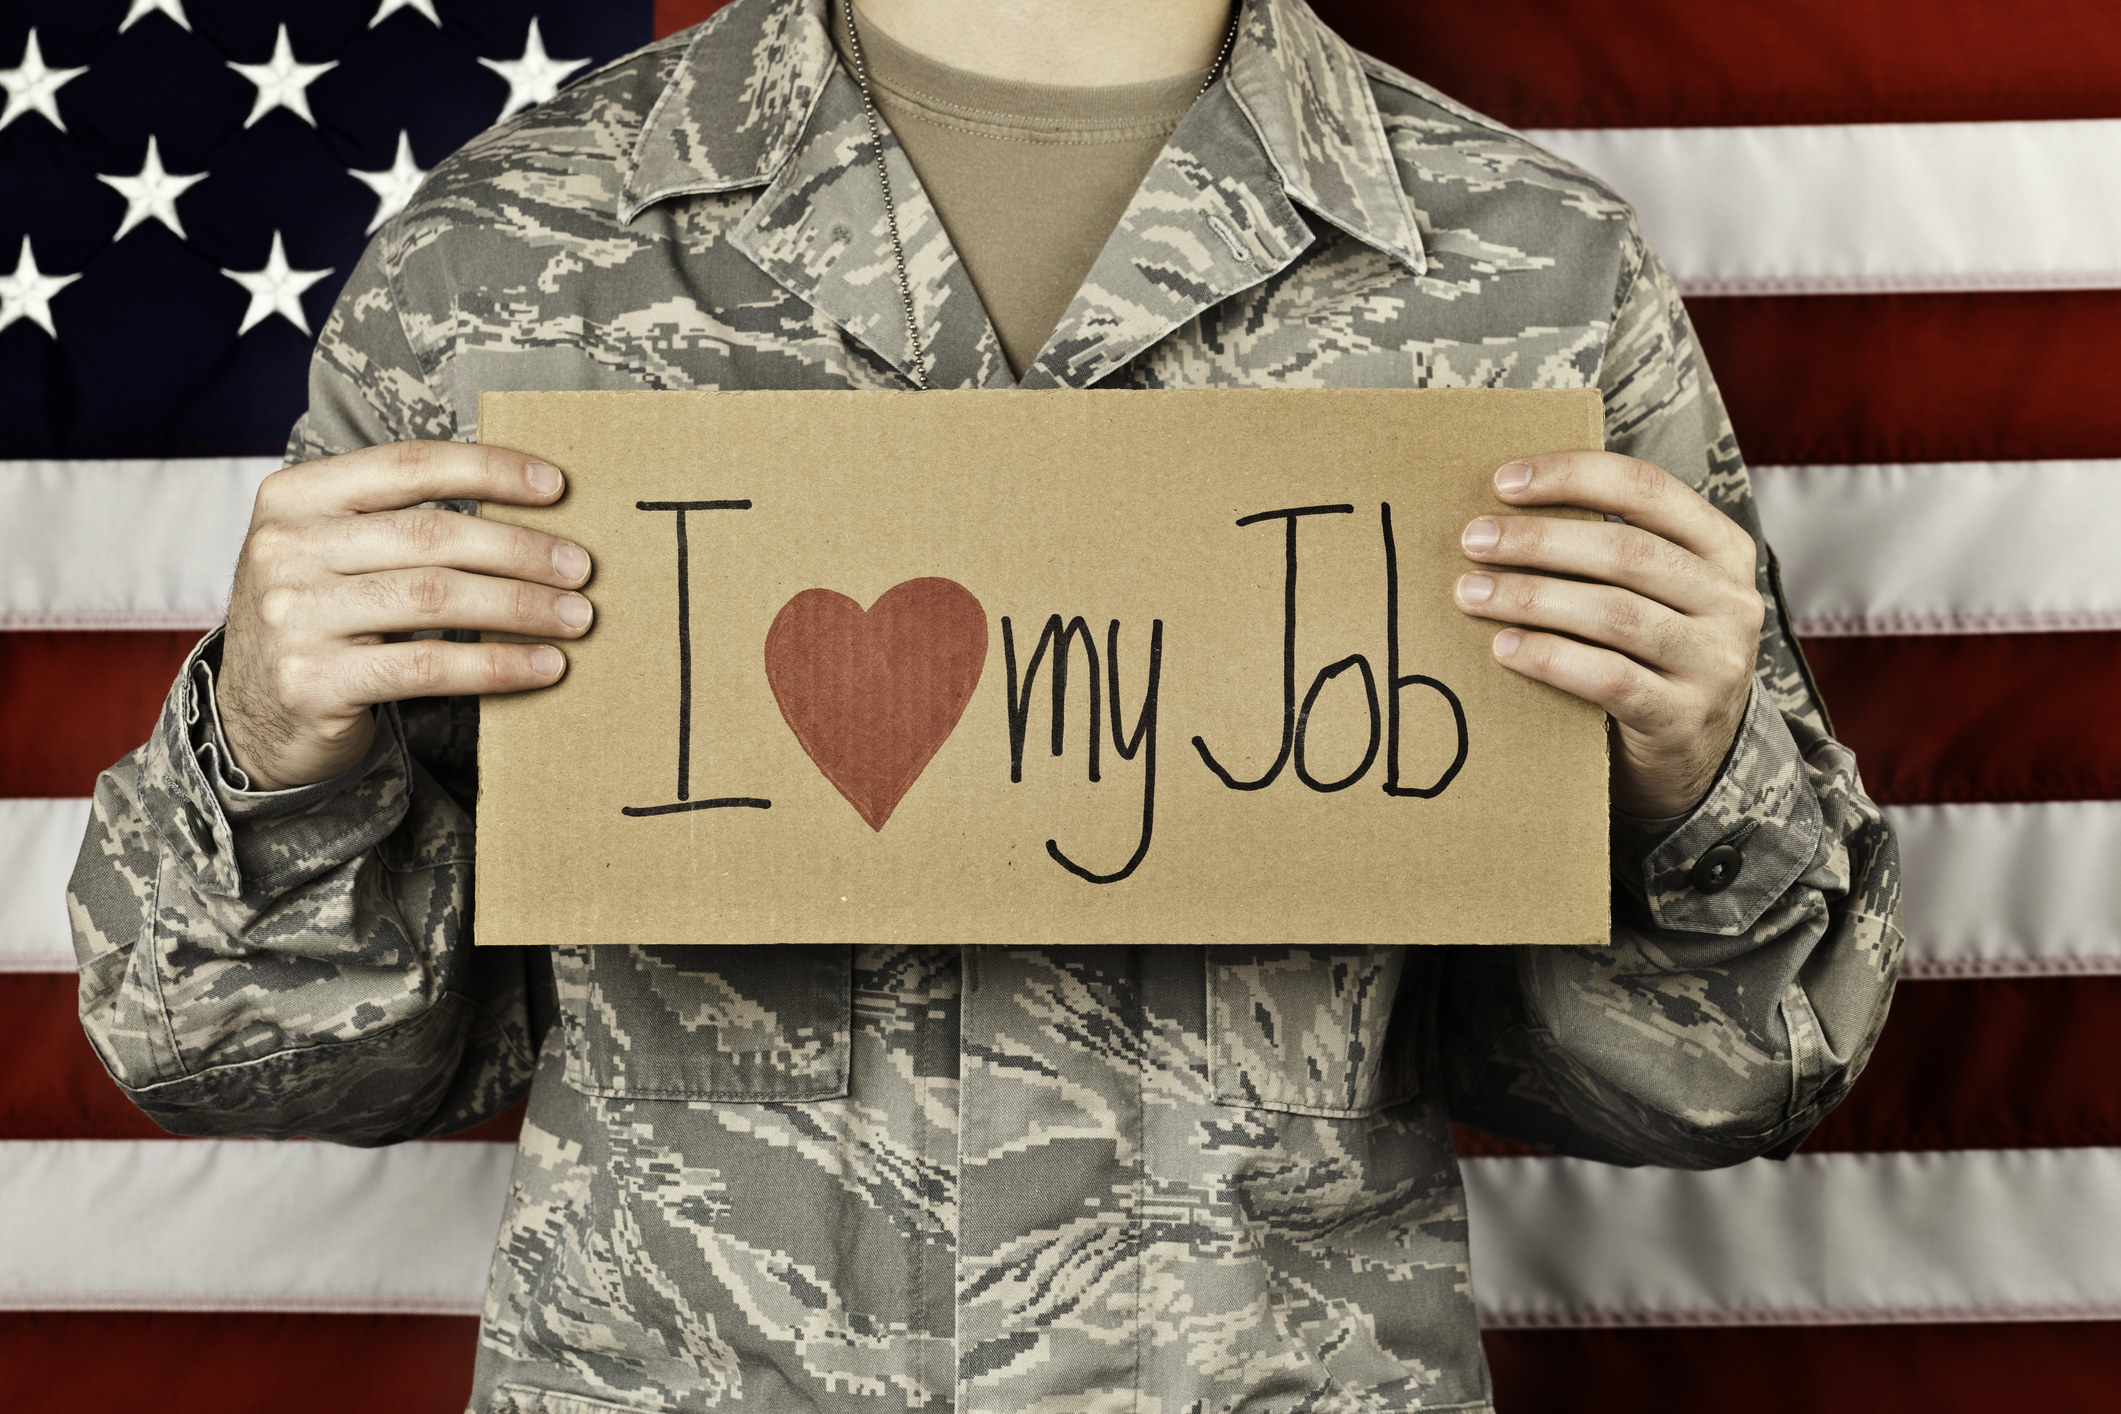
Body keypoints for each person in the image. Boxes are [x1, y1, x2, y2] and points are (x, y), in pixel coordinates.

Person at [68, 0, 1901, 1408]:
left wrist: (1689, 781)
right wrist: (275, 753)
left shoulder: (1526, 273)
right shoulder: (513, 255)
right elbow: (260, 1056)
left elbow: (1709, 1084)